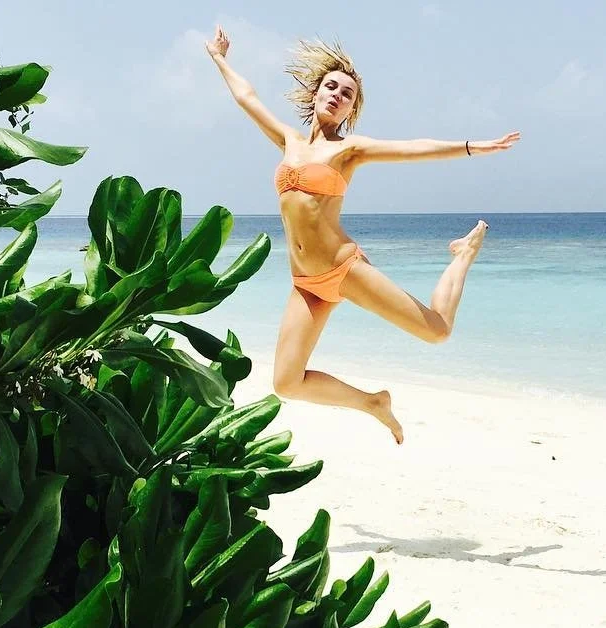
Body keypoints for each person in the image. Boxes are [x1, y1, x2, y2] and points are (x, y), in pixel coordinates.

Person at [206, 25, 520, 444]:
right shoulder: (289, 141)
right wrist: (219, 58)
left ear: (350, 110)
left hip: (344, 269)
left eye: (347, 94)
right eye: (331, 87)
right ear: (315, 92)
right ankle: (372, 403)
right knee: (286, 382)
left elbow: (412, 148)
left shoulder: (349, 150)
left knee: (437, 330)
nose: (337, 95)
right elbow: (247, 97)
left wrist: (470, 146)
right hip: (305, 284)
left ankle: (462, 254)